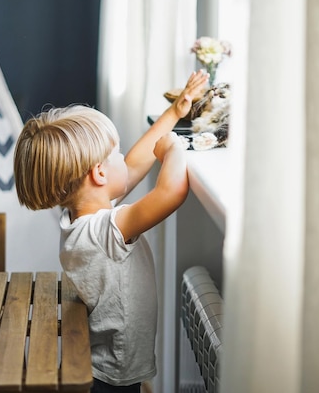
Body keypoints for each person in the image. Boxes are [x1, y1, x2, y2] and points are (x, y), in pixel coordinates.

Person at [13, 69, 209, 392]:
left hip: (102, 361)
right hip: (114, 371)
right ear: (99, 173)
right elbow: (170, 193)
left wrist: (174, 113)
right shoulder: (107, 231)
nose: (124, 157)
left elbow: (132, 166)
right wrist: (174, 148)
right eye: (116, 152)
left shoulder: (82, 219)